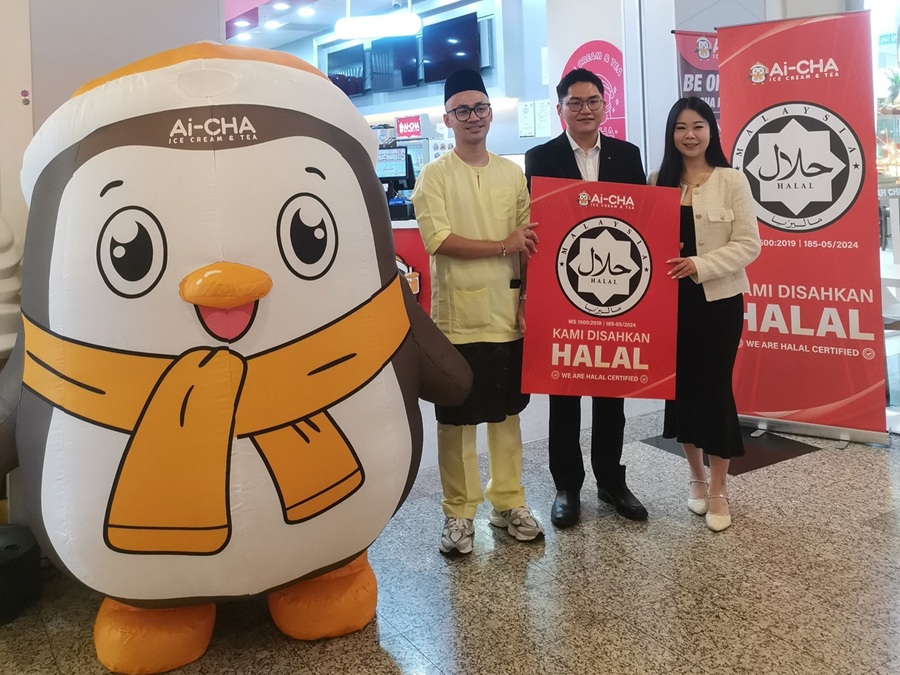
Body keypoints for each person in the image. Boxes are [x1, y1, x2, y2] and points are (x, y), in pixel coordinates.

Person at [411, 69, 543, 555]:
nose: (472, 117)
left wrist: (529, 299)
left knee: (507, 415)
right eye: (462, 110)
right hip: (457, 321)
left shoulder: (512, 174)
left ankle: (508, 502)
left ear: (490, 113)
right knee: (458, 421)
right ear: (447, 118)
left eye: (480, 108)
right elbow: (439, 241)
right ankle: (458, 514)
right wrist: (501, 245)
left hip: (506, 315)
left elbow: (527, 242)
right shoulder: (435, 176)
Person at [524, 68, 648, 528]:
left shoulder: (627, 155)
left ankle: (612, 482)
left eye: (592, 100)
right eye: (574, 102)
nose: (585, 109)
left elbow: (645, 222)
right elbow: (540, 223)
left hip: (617, 287)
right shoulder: (541, 157)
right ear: (560, 109)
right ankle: (567, 486)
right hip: (564, 287)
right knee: (564, 394)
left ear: (604, 104)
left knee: (611, 391)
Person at [651, 97, 760, 532]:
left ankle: (719, 488)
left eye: (698, 126)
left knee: (714, 390)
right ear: (671, 134)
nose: (690, 135)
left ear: (711, 131)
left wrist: (699, 264)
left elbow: (748, 244)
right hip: (667, 305)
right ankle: (694, 478)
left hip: (718, 303)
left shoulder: (731, 180)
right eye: (680, 127)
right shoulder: (657, 180)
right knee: (680, 392)